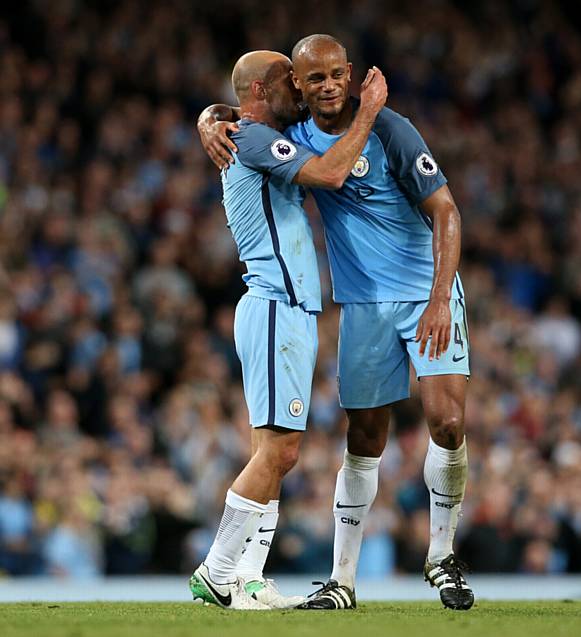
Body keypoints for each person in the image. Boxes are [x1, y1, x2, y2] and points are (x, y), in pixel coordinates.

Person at [200, 34, 473, 611]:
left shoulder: (392, 130)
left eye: (335, 76)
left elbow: (446, 209)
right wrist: (212, 116)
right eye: (310, 79)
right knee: (356, 441)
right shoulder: (287, 135)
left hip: (425, 294)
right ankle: (338, 580)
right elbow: (303, 159)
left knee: (446, 422)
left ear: (349, 74)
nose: (325, 88)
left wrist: (442, 297)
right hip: (355, 305)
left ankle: (441, 557)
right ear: (294, 86)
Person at [190, 49, 387, 610]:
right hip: (275, 305)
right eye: (287, 82)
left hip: (286, 311)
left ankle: (249, 580)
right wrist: (369, 110)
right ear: (258, 91)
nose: (300, 92)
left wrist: (207, 115)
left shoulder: (247, 130)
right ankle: (218, 569)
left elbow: (230, 111)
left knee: (275, 452)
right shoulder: (251, 138)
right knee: (280, 452)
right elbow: (328, 172)